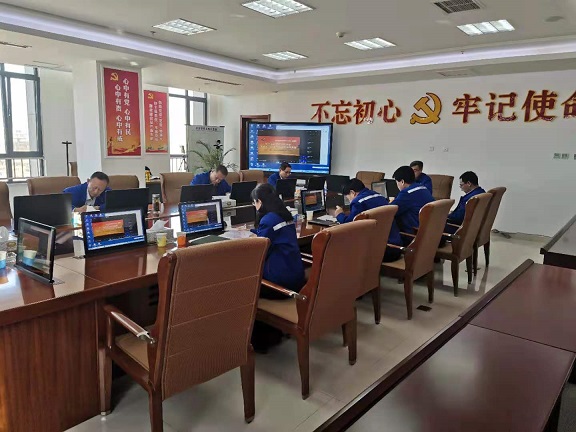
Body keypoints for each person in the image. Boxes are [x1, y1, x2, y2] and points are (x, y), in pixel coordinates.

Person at [250, 183, 305, 298]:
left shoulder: (268, 220)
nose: (254, 205)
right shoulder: (285, 215)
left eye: (254, 202)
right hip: (297, 279)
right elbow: (274, 232)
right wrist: (255, 231)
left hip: (279, 284)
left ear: (260, 201)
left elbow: (260, 250)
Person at [335, 178, 403, 262]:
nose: (349, 200)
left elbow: (349, 224)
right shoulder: (379, 196)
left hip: (382, 251)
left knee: (341, 243)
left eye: (347, 197)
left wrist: (339, 214)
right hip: (396, 247)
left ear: (352, 192)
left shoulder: (357, 202)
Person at [390, 166, 434, 244]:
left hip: (413, 235)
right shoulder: (423, 188)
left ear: (402, 182)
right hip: (429, 233)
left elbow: (391, 210)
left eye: (397, 182)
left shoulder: (406, 193)